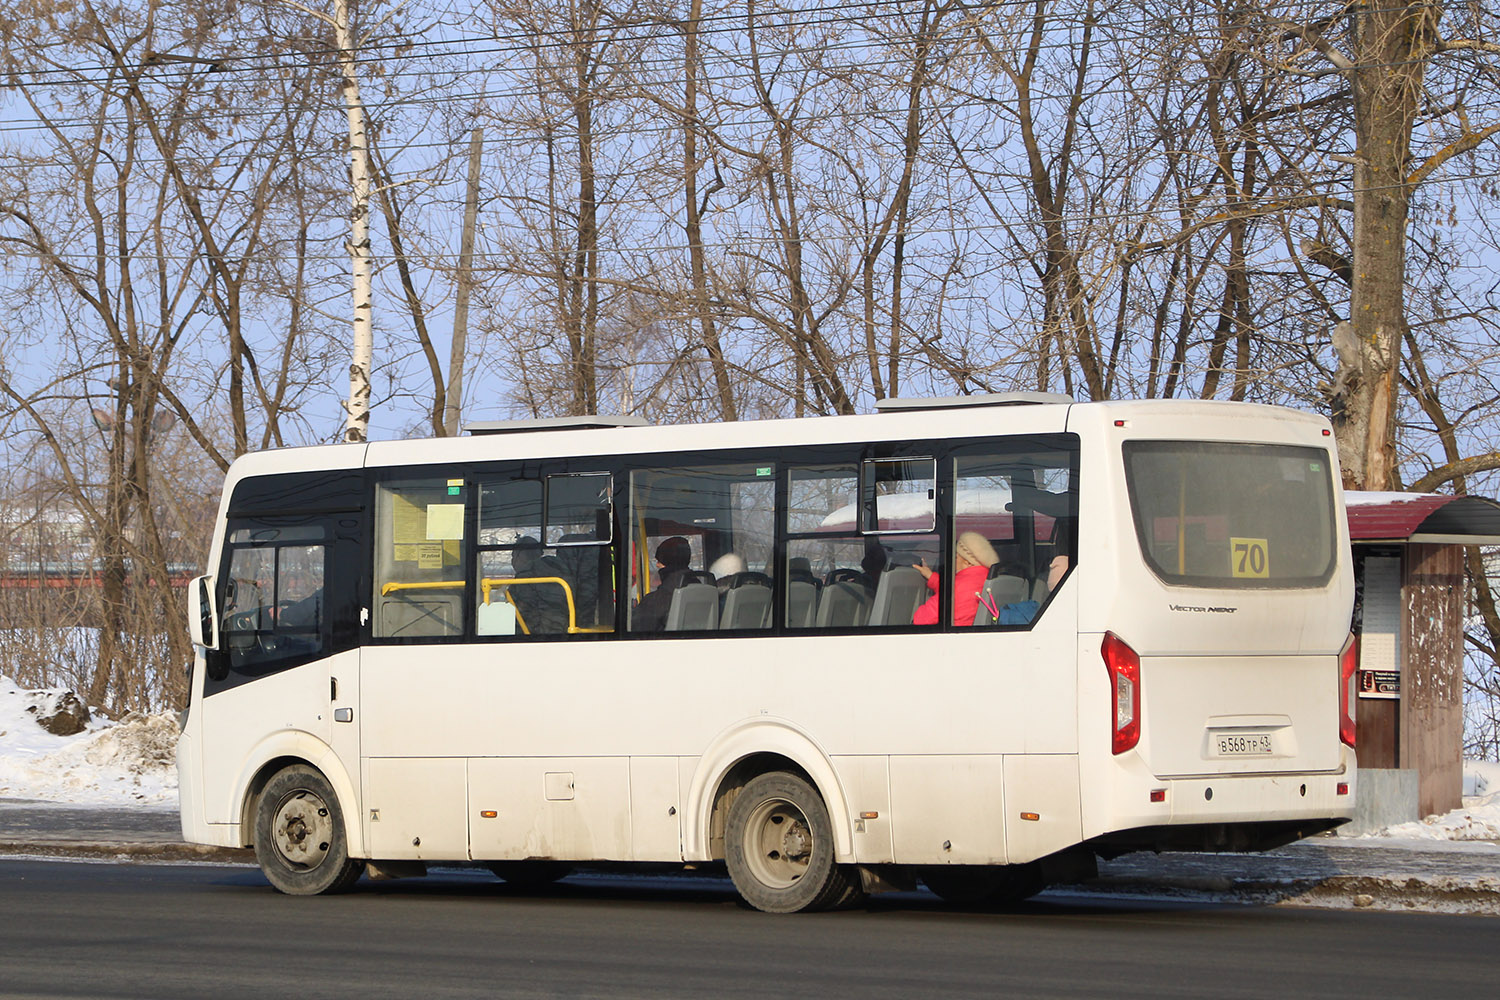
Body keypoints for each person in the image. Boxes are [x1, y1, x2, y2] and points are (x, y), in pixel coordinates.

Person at [911, 531, 999, 626]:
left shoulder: (957, 587)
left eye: (956, 557)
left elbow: (921, 619)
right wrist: (931, 576)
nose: (953, 560)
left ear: (968, 562)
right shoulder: (987, 578)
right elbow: (957, 592)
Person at [510, 536, 572, 633]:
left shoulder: (525, 577)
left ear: (521, 554)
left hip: (534, 633)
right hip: (561, 630)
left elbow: (520, 609)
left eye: (513, 556)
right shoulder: (560, 571)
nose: (512, 561)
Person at [632, 536, 695, 632]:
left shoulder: (656, 600)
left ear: (671, 563)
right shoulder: (699, 589)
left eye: (660, 561)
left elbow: (635, 629)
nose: (657, 565)